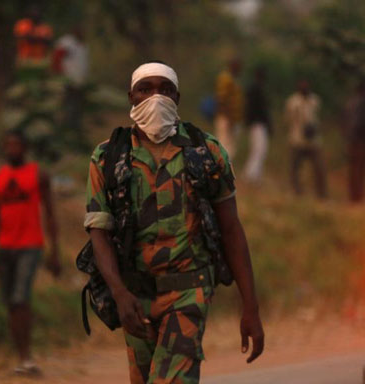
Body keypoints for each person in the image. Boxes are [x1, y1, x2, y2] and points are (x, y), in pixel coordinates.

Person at [85, 62, 264, 383]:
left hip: (189, 291)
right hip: (135, 296)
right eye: (146, 89)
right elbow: (99, 232)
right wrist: (119, 293)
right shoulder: (108, 158)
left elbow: (232, 230)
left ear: (177, 97)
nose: (156, 97)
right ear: (131, 97)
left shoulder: (206, 152)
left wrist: (250, 305)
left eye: (165, 90)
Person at [0, 130, 61, 375]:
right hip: (5, 246)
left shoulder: (38, 174)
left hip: (30, 245)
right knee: (10, 302)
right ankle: (21, 357)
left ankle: (27, 356)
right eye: (8, 146)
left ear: (25, 148)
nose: (12, 150)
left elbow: (49, 213)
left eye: (17, 145)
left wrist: (55, 251)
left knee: (20, 298)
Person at [285, 80, 327, 199]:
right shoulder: (293, 102)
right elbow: (288, 119)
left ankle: (321, 194)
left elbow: (318, 117)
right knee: (294, 167)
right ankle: (296, 191)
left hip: (313, 140)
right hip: (297, 138)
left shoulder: (314, 100)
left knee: (319, 167)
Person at [52, 26, 89, 145]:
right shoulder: (67, 42)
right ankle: (63, 134)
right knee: (66, 108)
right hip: (68, 82)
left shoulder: (82, 45)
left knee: (76, 110)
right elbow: (57, 58)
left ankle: (74, 134)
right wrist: (61, 77)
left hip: (79, 83)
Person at [343, 81, 365, 203]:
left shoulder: (349, 103)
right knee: (360, 167)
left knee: (353, 168)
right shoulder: (363, 104)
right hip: (360, 139)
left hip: (350, 140)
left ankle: (353, 195)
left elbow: (343, 122)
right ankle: (359, 196)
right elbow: (364, 124)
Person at [243, 66, 271, 183]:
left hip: (256, 124)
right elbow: (259, 110)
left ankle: (254, 174)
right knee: (259, 149)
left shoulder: (255, 89)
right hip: (257, 123)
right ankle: (250, 174)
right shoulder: (256, 90)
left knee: (259, 149)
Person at [14, 5, 53, 82]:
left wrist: (34, 37)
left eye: (38, 13)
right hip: (24, 60)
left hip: (40, 61)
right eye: (33, 13)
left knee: (38, 82)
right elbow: (23, 37)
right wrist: (39, 38)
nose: (36, 15)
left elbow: (49, 41)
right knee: (24, 82)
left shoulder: (45, 27)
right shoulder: (23, 24)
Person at [214, 58, 244, 159]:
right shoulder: (226, 78)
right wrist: (229, 119)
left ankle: (225, 170)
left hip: (233, 118)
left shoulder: (234, 79)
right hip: (227, 118)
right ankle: (221, 170)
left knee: (231, 147)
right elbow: (222, 100)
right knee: (224, 146)